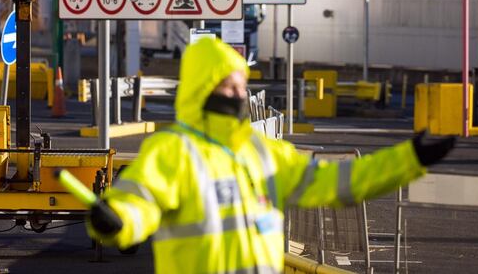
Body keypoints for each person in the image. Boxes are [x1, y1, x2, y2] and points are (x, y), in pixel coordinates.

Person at [87, 38, 454, 273]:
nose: (239, 94)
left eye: (242, 86)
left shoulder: (263, 152)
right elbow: (140, 201)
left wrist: (408, 160)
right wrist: (117, 219)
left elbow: (335, 182)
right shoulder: (173, 151)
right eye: (229, 85)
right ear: (204, 88)